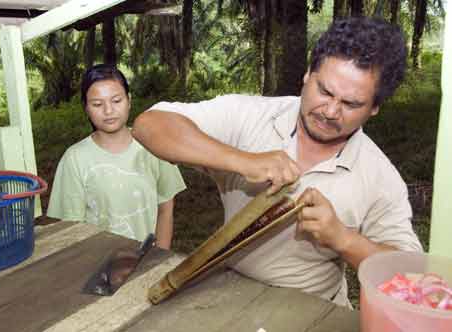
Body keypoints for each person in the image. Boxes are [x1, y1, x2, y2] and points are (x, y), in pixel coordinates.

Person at [131, 17, 423, 306]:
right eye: (324, 91)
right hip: (227, 292)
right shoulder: (252, 117)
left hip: (312, 311)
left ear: (374, 108)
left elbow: (410, 276)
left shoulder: (380, 178)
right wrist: (243, 161)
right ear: (307, 75)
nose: (331, 111)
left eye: (351, 104)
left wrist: (343, 239)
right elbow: (149, 125)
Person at [47, 64, 186, 249]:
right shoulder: (74, 159)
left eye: (116, 100)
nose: (108, 111)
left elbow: (166, 210)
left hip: (146, 261)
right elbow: (72, 229)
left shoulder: (154, 146)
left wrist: (159, 259)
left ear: (129, 100)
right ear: (86, 108)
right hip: (96, 265)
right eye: (97, 104)